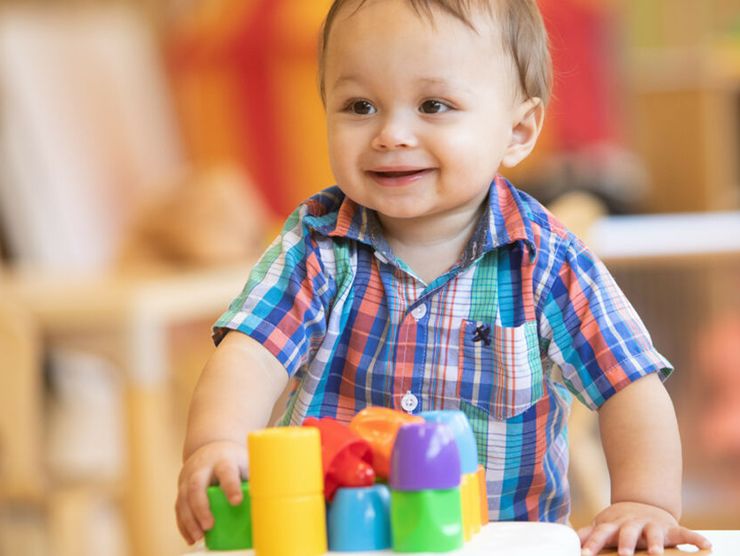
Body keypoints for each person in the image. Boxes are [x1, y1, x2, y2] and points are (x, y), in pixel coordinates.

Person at [176, 1, 712, 554]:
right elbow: (252, 352)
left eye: (433, 105)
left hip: (499, 541)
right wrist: (217, 443)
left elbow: (629, 383)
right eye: (360, 106)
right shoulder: (317, 246)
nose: (391, 134)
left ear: (518, 130)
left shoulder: (547, 263)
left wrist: (644, 502)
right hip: (338, 535)